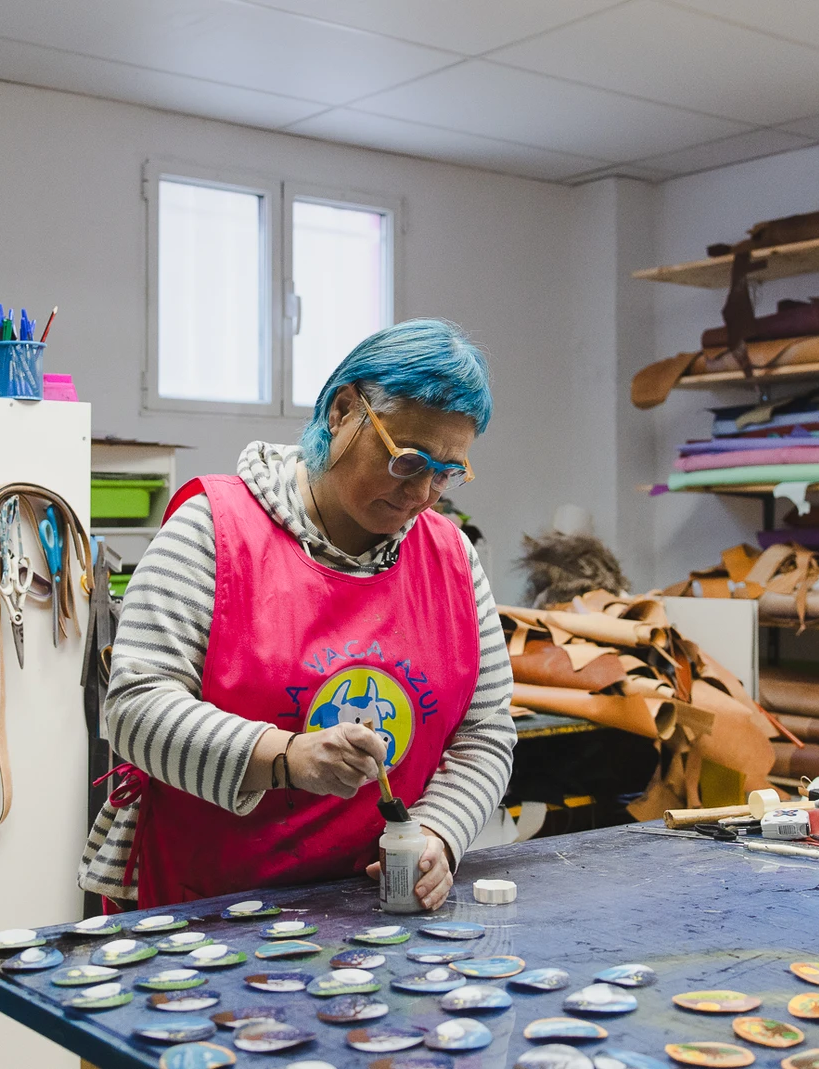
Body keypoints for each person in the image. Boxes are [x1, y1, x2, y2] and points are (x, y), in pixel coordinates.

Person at [79, 319, 515, 911]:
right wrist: (285, 757)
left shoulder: (452, 559)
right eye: (408, 461)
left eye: (445, 472)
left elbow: (485, 733)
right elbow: (136, 711)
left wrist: (439, 831)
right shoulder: (212, 531)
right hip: (209, 910)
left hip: (375, 909)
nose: (422, 495)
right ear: (343, 412)